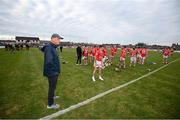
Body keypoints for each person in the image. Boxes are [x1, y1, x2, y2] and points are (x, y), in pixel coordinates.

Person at [41, 33, 63, 109]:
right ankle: (50, 104)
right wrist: (55, 71)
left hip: (53, 72)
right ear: (53, 39)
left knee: (53, 87)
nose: (59, 40)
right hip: (52, 72)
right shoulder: (50, 48)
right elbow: (49, 62)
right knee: (51, 87)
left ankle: (53, 96)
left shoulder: (52, 47)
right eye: (58, 39)